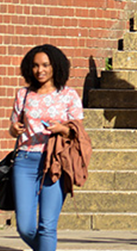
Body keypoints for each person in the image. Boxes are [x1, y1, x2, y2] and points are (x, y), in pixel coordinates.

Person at [10, 45, 84, 251]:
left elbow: (78, 132)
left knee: (47, 226)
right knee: (24, 227)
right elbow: (13, 126)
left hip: (56, 162)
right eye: (35, 66)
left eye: (45, 65)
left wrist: (62, 128)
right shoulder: (23, 94)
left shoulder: (68, 95)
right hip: (25, 161)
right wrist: (14, 129)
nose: (39, 70)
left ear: (55, 67)